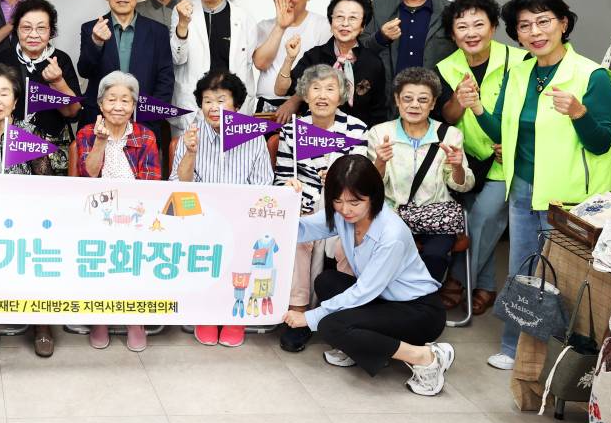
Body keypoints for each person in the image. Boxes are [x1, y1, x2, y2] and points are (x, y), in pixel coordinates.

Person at [467, 0, 611, 370]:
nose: (535, 32)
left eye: (543, 21)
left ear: (563, 24)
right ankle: (514, 349)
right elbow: (502, 132)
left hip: (572, 198)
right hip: (524, 187)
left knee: (570, 278)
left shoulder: (593, 75)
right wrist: (477, 108)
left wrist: (580, 113)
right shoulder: (519, 73)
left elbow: (602, 142)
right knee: (523, 268)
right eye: (524, 26)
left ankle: (573, 362)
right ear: (516, 35)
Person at [288, 156, 454, 396]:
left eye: (354, 202)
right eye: (337, 200)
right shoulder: (343, 216)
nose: (345, 209)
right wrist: (285, 202)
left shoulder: (391, 234)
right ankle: (361, 347)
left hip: (419, 312)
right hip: (382, 300)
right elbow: (301, 229)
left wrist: (309, 317)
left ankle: (426, 357)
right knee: (327, 282)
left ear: (373, 196)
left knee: (330, 325)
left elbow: (363, 292)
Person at [435, 0, 526, 315]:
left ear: (493, 27)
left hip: (505, 159)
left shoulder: (520, 61)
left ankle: (456, 281)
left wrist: (515, 143)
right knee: (478, 225)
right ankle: (485, 287)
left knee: (483, 219)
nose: (471, 33)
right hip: (467, 159)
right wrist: (459, 100)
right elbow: (447, 116)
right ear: (452, 34)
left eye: (478, 24)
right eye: (462, 27)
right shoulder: (447, 66)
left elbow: (530, 111)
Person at [170, 71, 275, 348]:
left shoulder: (253, 137)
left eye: (221, 100)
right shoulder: (191, 135)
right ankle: (206, 311)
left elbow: (263, 187)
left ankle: (233, 314)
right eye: (207, 101)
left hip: (242, 219)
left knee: (245, 244)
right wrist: (191, 153)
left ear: (236, 105)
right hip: (201, 218)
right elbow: (178, 186)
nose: (213, 107)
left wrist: (239, 216)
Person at [272, 63, 369, 353]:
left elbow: (360, 181)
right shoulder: (293, 129)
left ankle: (344, 316)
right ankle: (298, 314)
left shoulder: (356, 128)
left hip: (343, 211)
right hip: (305, 205)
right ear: (305, 94)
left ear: (341, 95)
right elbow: (281, 177)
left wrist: (341, 183)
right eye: (315, 88)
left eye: (330, 88)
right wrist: (289, 187)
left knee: (348, 246)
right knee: (298, 239)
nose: (322, 95)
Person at [0, 64, 55, 358]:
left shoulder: (29, 132)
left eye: (4, 93)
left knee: (36, 258)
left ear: (15, 101)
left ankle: (41, 325)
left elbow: (46, 181)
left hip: (26, 219)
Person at [75, 71, 161, 352]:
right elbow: (88, 175)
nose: (118, 106)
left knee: (135, 257)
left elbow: (151, 185)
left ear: (133, 105)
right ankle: (100, 317)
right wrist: (100, 142)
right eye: (111, 99)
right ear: (101, 104)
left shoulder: (146, 136)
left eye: (125, 100)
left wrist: (129, 215)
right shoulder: (87, 133)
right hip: (95, 214)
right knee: (97, 257)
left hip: (134, 215)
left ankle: (134, 319)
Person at [364, 68, 473, 282]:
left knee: (435, 256)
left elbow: (463, 185)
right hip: (393, 216)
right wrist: (380, 162)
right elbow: (371, 187)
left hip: (437, 217)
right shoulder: (380, 133)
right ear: (397, 100)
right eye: (408, 98)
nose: (415, 105)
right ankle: (399, 297)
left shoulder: (450, 135)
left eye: (423, 100)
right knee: (392, 252)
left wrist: (457, 167)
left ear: (433, 104)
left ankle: (424, 297)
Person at [78, 0, 173, 156]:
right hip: (99, 124)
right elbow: (84, 70)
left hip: (144, 124)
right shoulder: (91, 28)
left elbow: (165, 80)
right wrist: (96, 42)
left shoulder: (158, 31)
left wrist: (150, 119)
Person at [172, 0, 261, 132]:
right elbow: (177, 59)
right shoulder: (182, 11)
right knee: (192, 148)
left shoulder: (243, 17)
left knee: (234, 150)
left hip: (231, 105)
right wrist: (182, 24)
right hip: (195, 105)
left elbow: (247, 63)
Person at [0, 0, 81, 174]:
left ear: (51, 31)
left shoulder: (61, 60)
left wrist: (58, 82)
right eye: (26, 28)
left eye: (41, 28)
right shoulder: (4, 59)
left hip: (53, 151)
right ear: (16, 30)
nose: (33, 34)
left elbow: (73, 113)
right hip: (14, 148)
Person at [361, 0, 455, 107]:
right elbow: (356, 53)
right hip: (384, 106)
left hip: (434, 107)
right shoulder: (375, 8)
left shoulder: (451, 12)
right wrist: (380, 38)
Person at [276, 0, 388, 128]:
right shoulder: (314, 56)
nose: (345, 23)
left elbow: (378, 112)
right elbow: (281, 90)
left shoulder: (372, 63)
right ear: (331, 22)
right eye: (339, 17)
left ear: (362, 27)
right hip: (315, 134)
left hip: (356, 136)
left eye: (353, 18)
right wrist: (289, 59)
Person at [252, 0, 330, 116]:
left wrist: (295, 101)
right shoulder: (264, 26)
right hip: (267, 104)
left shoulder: (323, 26)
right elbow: (261, 64)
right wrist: (280, 26)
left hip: (309, 104)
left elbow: (324, 71)